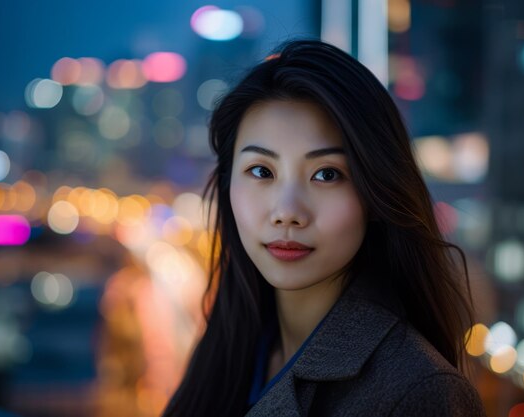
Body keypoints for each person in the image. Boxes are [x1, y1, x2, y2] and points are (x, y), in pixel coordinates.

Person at [162, 39, 487, 416]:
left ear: (376, 193)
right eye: (261, 171)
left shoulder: (418, 392)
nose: (287, 213)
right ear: (227, 183)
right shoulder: (232, 347)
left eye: (327, 174)